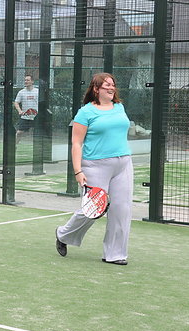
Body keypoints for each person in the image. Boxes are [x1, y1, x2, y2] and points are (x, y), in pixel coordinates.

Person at [55, 73, 133, 265]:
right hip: (95, 165)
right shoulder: (85, 112)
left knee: (121, 209)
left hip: (123, 164)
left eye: (113, 85)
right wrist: (78, 171)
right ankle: (63, 234)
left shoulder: (120, 107)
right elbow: (76, 143)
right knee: (93, 210)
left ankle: (115, 254)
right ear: (96, 89)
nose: (111, 88)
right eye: (106, 85)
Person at [14, 75, 39, 144]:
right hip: (25, 117)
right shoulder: (21, 92)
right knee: (19, 133)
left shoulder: (37, 91)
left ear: (32, 81)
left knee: (39, 134)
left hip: (36, 117)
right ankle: (14, 146)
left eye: (28, 80)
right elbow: (16, 102)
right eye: (25, 80)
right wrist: (20, 111)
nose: (26, 82)